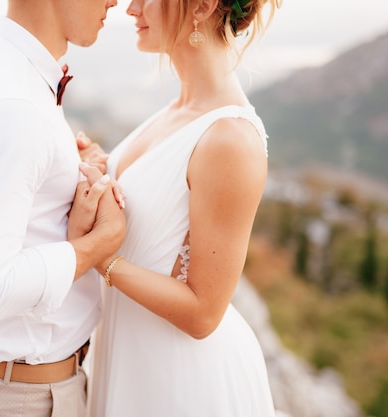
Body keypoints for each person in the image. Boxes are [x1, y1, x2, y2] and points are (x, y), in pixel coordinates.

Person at [79, 0, 283, 416]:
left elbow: (204, 313)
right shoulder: (176, 112)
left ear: (202, 6)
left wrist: (101, 258)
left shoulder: (231, 139)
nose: (131, 9)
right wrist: (102, 170)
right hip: (131, 360)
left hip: (181, 383)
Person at [0, 0, 126, 416]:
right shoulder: (13, 106)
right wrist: (96, 247)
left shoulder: (11, 75)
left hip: (18, 390)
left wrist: (72, 171)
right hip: (10, 398)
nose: (116, 2)